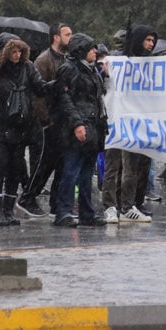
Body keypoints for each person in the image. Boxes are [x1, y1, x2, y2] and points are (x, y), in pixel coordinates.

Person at [0, 39, 50, 226]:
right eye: (14, 52)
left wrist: (55, 85)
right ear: (7, 52)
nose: (17, 55)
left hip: (19, 125)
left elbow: (39, 87)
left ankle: (9, 209)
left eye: (20, 52)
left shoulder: (28, 68)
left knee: (15, 169)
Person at [52, 33, 108, 227]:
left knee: (86, 174)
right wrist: (77, 124)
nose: (95, 51)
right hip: (77, 128)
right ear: (82, 50)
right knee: (71, 171)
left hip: (93, 127)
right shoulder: (69, 69)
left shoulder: (90, 70)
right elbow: (64, 100)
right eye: (92, 48)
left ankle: (87, 212)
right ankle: (64, 212)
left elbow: (97, 96)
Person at [18, 23, 72, 217]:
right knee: (44, 163)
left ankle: (56, 204)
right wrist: (45, 120)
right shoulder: (44, 60)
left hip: (62, 120)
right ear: (56, 37)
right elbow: (37, 93)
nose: (70, 37)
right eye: (67, 34)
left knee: (61, 163)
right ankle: (28, 198)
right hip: (48, 122)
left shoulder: (65, 58)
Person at [116, 24, 158, 222]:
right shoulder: (126, 62)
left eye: (152, 41)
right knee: (130, 167)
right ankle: (126, 205)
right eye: (147, 40)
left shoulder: (153, 64)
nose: (150, 44)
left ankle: (137, 202)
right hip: (130, 121)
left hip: (147, 122)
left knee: (144, 166)